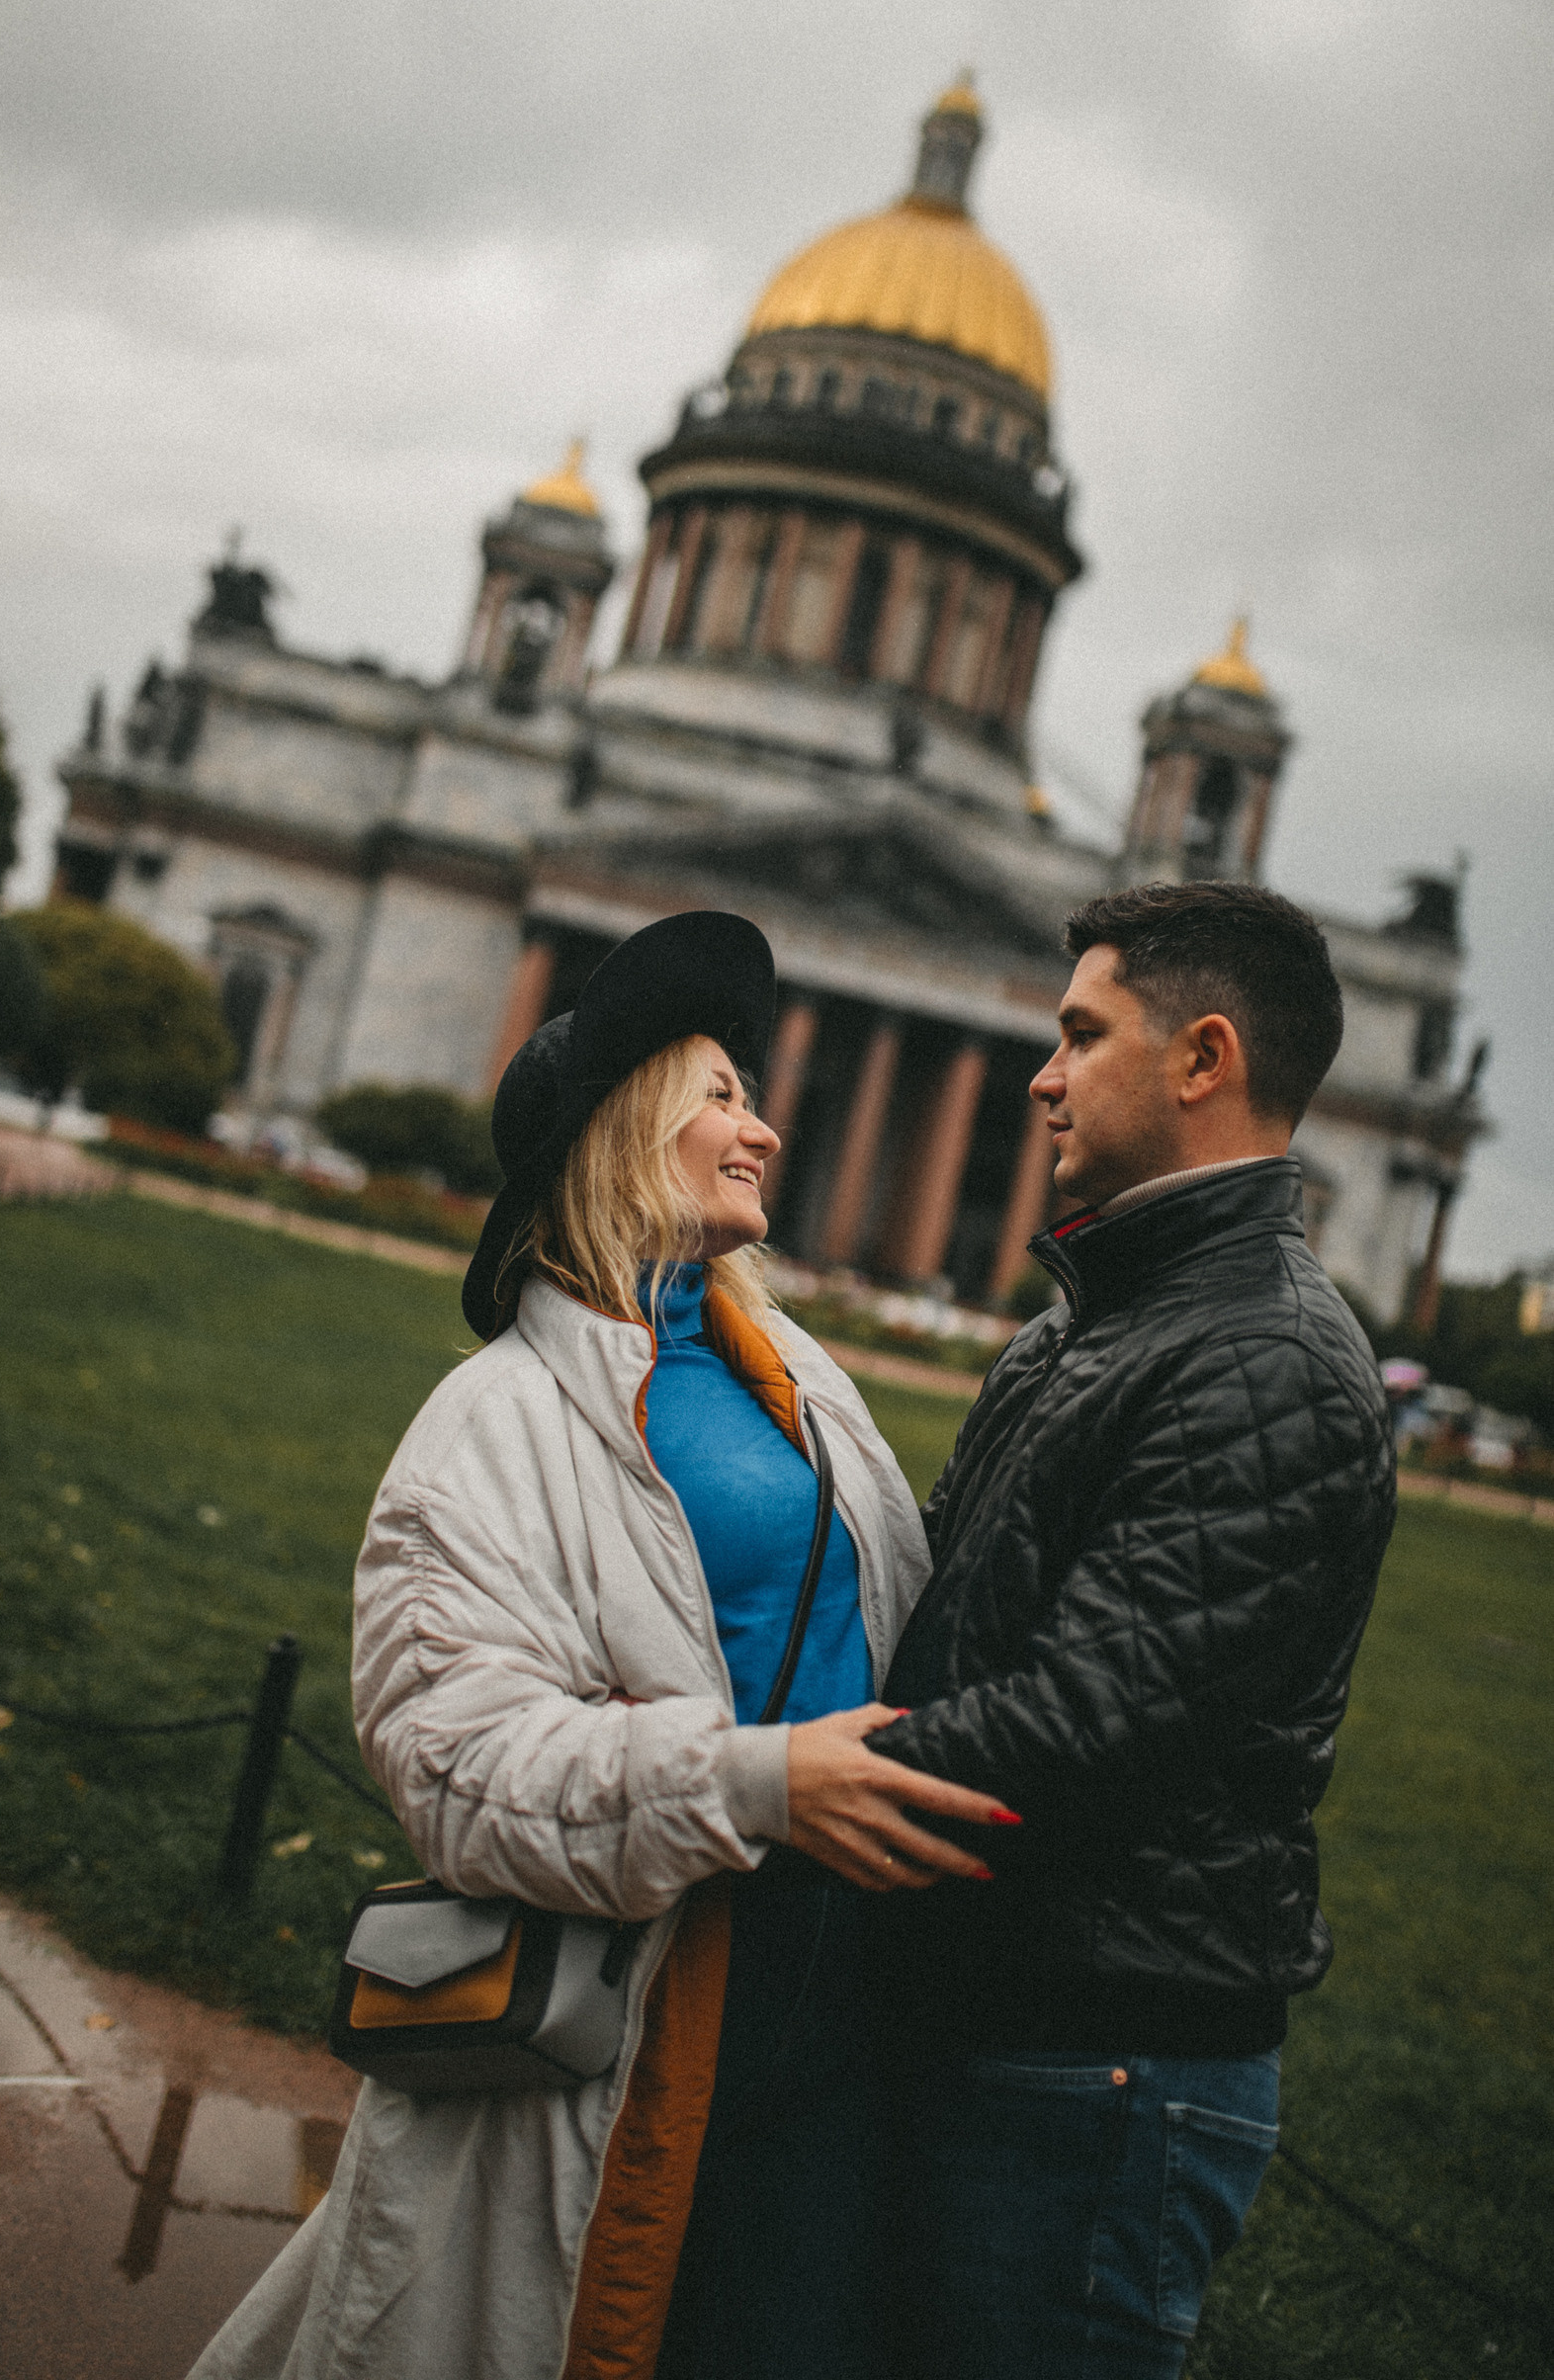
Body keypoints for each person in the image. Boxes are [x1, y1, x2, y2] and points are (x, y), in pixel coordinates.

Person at [188, 909, 1006, 2380]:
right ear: (631, 1132)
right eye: (721, 1096)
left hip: (832, 2004)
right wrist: (753, 1783)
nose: (763, 1129)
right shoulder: (491, 1425)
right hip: (634, 2015)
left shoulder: (796, 1377)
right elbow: (457, 1763)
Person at [871, 880, 1397, 2378]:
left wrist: (771, 1776)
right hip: (1019, 2026)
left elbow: (1086, 1724)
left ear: (1203, 1058)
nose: (1041, 1071)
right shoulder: (1101, 1318)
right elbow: (955, 1620)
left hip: (1097, 2068)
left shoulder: (1266, 1362)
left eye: (1079, 1033)